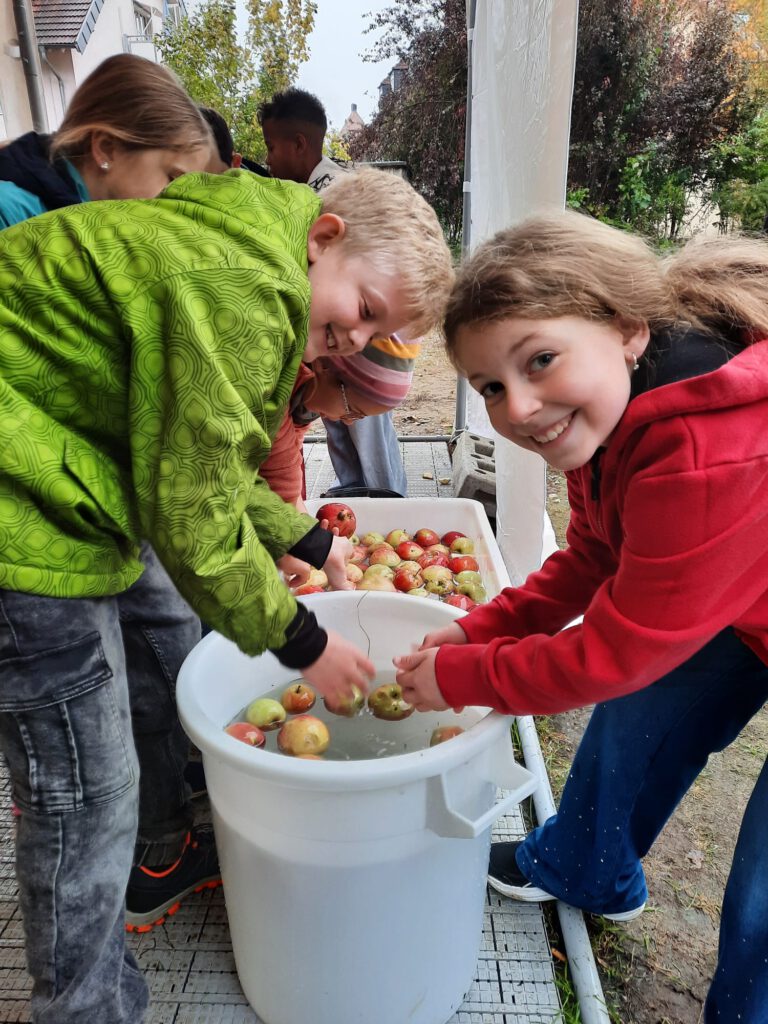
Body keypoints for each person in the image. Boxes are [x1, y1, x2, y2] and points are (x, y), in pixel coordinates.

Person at [0, 152, 452, 1023]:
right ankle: (87, 1009)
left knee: (166, 649)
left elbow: (194, 462)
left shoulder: (244, 246)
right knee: (84, 793)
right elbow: (194, 514)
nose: (355, 342)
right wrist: (306, 643)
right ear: (325, 238)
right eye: (362, 312)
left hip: (60, 469)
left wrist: (312, 538)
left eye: (377, 332)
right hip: (25, 514)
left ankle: (173, 844)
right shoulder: (249, 293)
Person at [393, 210, 768, 1024]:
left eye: (541, 360)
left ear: (627, 330)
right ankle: (589, 869)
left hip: (741, 578)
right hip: (743, 597)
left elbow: (614, 652)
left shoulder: (706, 450)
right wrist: (475, 628)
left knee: (763, 903)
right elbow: (593, 556)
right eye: (491, 385)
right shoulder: (622, 416)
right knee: (642, 718)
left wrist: (465, 675)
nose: (519, 407)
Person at [0, 43, 227, 955]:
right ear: (100, 150)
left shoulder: (107, 218)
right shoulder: (19, 216)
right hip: (42, 526)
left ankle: (170, 827)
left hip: (104, 501)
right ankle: (141, 846)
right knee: (79, 780)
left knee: (173, 633)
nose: (172, 205)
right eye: (167, 176)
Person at [258, 86, 414, 495]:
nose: (269, 160)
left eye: (271, 147)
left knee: (363, 427)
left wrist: (364, 339)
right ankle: (357, 494)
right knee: (339, 420)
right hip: (337, 347)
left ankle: (385, 499)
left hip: (368, 363)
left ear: (299, 143)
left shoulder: (328, 194)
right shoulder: (306, 193)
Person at [261, 337, 420, 507]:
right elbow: (283, 491)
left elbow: (288, 470)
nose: (349, 422)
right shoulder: (273, 396)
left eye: (358, 417)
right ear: (324, 367)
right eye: (351, 410)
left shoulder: (308, 395)